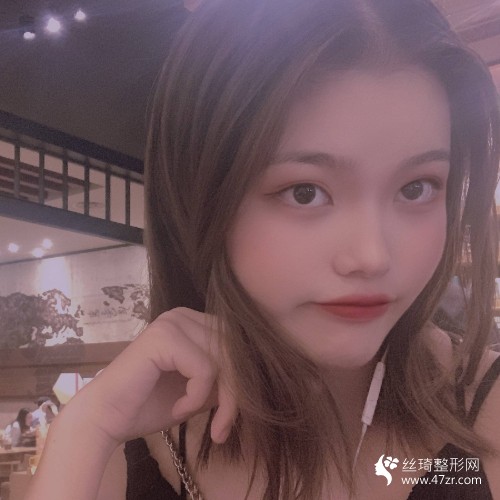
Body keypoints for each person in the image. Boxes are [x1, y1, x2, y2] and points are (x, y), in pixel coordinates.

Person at [27, 0, 500, 498]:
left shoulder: (487, 406)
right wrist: (83, 430)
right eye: (305, 192)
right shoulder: (114, 444)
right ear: (198, 199)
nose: (372, 256)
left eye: (417, 188)